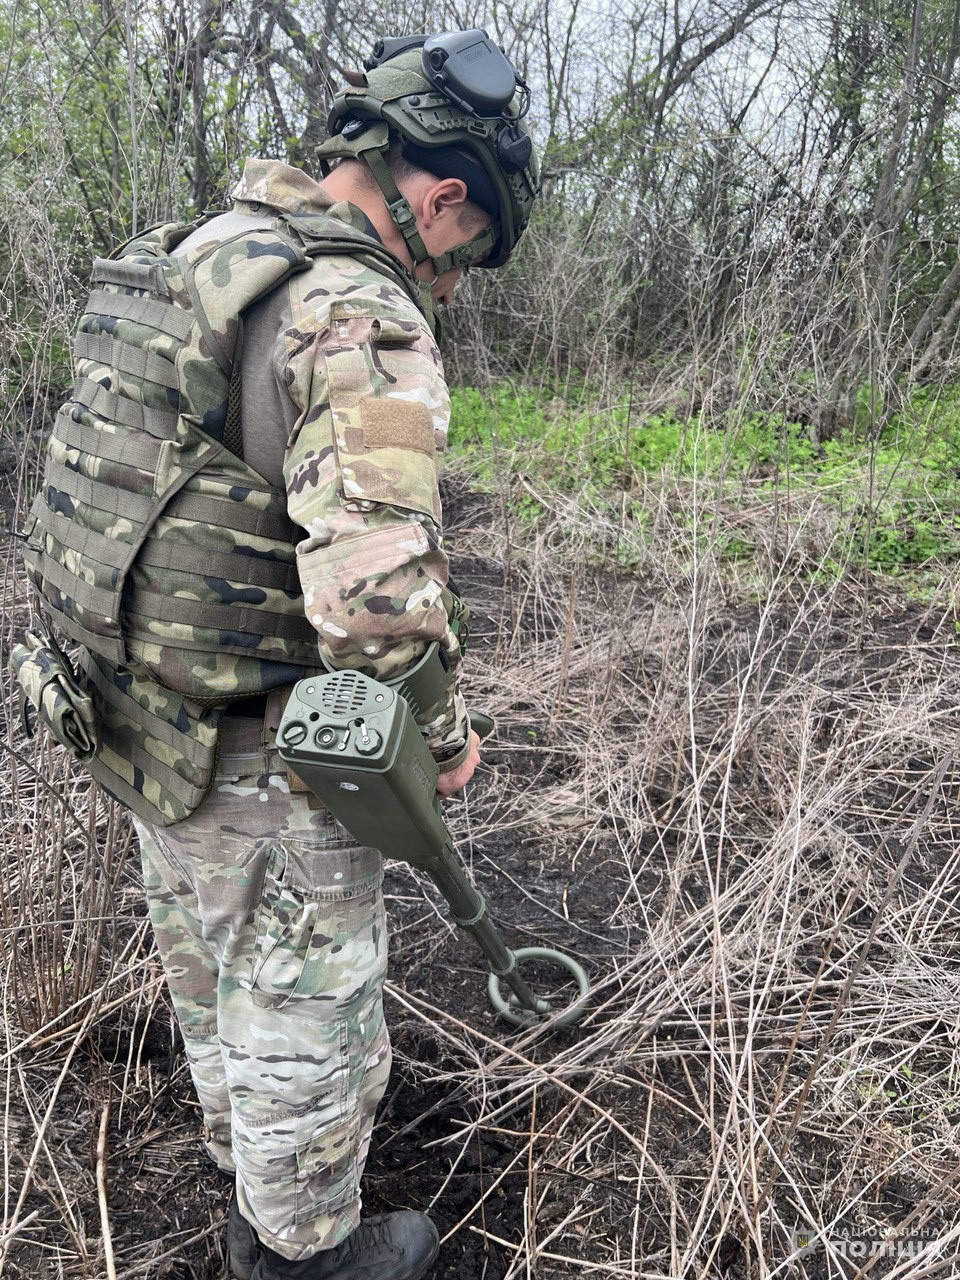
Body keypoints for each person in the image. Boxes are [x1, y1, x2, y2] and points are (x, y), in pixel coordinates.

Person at [13, 28, 539, 1280]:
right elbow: (375, 604)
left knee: (206, 950)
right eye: (470, 253)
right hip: (258, 729)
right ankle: (302, 1248)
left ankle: (232, 1143)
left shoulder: (197, 253)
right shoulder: (356, 310)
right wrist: (448, 738)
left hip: (135, 709)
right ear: (442, 195)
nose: (458, 284)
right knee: (306, 994)